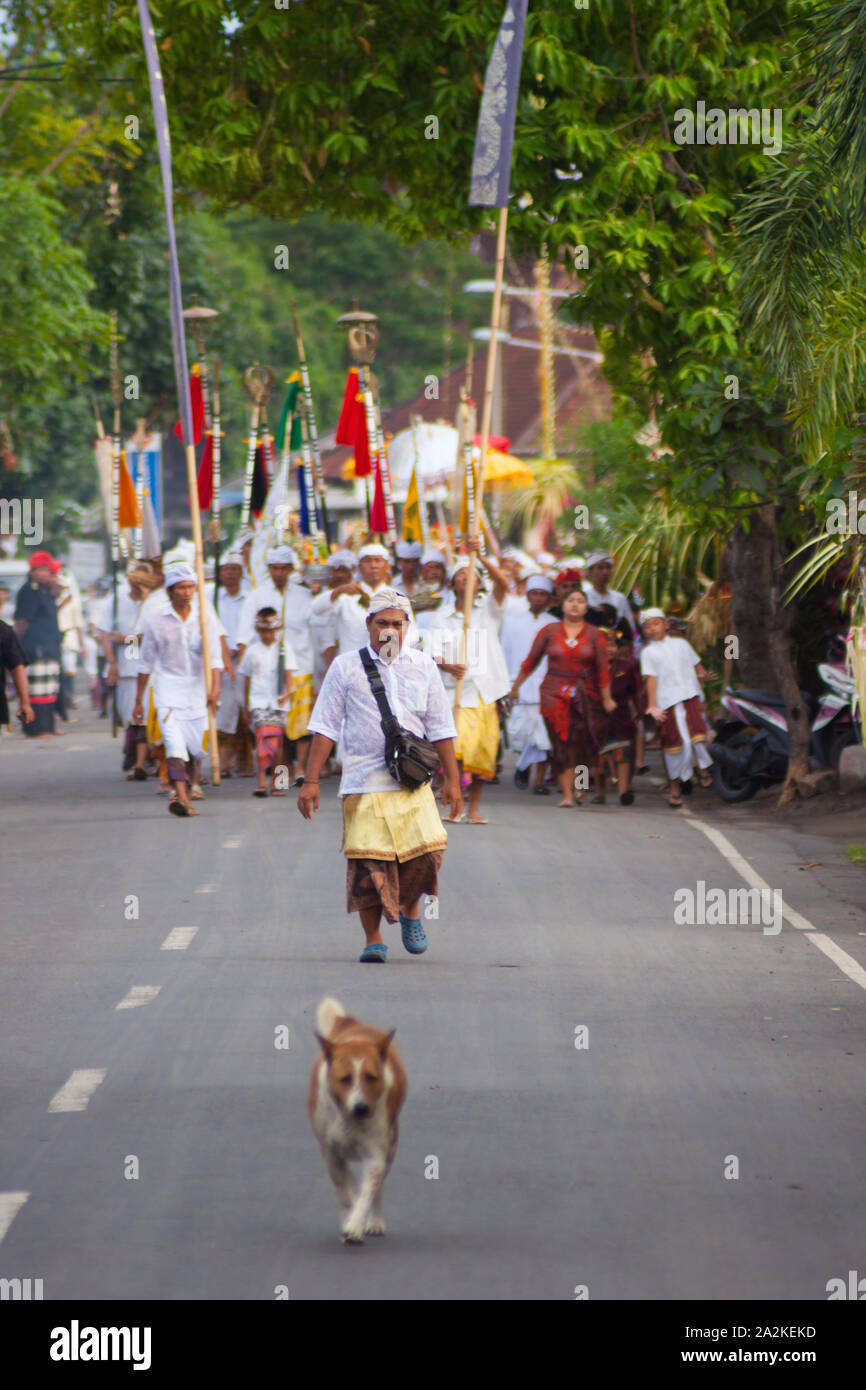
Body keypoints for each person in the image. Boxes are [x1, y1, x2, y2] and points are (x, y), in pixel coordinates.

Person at [299, 588, 462, 963]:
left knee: (428, 852)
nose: (390, 629)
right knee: (368, 863)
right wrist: (309, 782)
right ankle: (373, 939)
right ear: (368, 625)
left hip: (412, 781)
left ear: (408, 627)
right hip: (362, 780)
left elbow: (441, 727)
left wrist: (453, 780)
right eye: (382, 622)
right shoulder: (344, 667)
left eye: (397, 623)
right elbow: (324, 727)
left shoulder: (423, 666)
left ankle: (410, 909)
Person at [423, 538, 511, 824]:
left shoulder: (489, 609)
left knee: (481, 754)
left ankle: (473, 809)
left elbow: (503, 584)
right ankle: (453, 803)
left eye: (470, 574)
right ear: (452, 584)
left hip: (484, 691)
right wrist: (448, 666)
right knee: (456, 750)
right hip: (455, 694)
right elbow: (431, 654)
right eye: (460, 575)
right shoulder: (442, 617)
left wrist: (480, 557)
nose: (465, 578)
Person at [510, 584, 616, 807]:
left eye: (580, 601)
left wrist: (607, 698)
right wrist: (516, 686)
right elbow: (531, 661)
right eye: (571, 601)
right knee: (561, 743)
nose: (575, 604)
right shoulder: (549, 631)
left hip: (587, 693)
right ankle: (567, 794)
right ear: (562, 605)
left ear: (586, 607)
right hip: (553, 693)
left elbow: (603, 669)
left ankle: (582, 787)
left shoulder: (595, 634)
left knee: (584, 744)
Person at [133, 562, 223, 817]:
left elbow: (215, 659)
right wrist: (138, 701)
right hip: (168, 692)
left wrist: (215, 690)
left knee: (196, 750)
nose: (186, 592)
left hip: (198, 693)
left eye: (190, 587)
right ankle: (182, 799)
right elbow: (145, 662)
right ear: (171, 590)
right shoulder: (156, 620)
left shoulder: (205, 617)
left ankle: (188, 787)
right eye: (181, 587)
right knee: (174, 746)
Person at [237, 545, 314, 786]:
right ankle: (270, 778)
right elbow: (243, 635)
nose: (279, 573)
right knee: (271, 737)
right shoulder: (257, 596)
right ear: (268, 569)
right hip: (263, 687)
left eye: (284, 568)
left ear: (291, 569)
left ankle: (299, 769)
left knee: (299, 729)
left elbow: (313, 630)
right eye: (275, 568)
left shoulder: (304, 595)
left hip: (299, 668)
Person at [639, 607, 713, 808]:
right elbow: (651, 680)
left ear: (664, 624)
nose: (653, 628)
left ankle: (702, 768)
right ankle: (674, 788)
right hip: (667, 702)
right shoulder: (648, 653)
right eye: (647, 626)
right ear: (644, 631)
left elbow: (698, 666)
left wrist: (703, 676)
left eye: (656, 623)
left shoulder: (682, 644)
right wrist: (652, 705)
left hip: (689, 695)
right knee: (674, 746)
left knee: (697, 736)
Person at [97, 563, 162, 780]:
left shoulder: (156, 603)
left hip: (152, 668)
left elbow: (147, 633)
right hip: (127, 667)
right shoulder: (114, 602)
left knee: (147, 717)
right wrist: (112, 663)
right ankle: (136, 757)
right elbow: (105, 635)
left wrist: (127, 639)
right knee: (131, 716)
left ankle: (142, 762)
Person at [500, 573, 557, 793]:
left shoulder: (553, 623)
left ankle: (538, 781)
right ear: (528, 595)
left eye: (543, 594)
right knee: (520, 734)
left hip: (546, 686)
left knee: (543, 736)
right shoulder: (512, 620)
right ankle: (524, 765)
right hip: (518, 685)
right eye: (535, 593)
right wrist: (505, 684)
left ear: (549, 597)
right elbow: (504, 651)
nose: (538, 598)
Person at [237, 606, 296, 798]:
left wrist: (287, 693)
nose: (267, 634)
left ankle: (277, 782)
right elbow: (246, 679)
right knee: (262, 740)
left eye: (270, 630)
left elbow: (289, 675)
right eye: (263, 631)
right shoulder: (252, 650)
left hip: (278, 703)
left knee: (278, 744)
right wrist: (246, 706)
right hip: (259, 702)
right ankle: (262, 780)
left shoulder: (285, 648)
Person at [310, 542, 394, 659]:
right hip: (351, 664)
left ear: (387, 566)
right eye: (368, 561)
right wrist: (337, 591)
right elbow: (315, 609)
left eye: (377, 560)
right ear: (359, 567)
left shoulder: (396, 596)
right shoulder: (346, 594)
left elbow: (410, 633)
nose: (373, 565)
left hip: (383, 664)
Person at [13, 550, 62, 737]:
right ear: (34, 571)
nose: (48, 574)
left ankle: (47, 726)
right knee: (36, 690)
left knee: (49, 689)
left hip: (48, 646)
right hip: (35, 648)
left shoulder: (44, 590)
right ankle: (36, 728)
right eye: (44, 570)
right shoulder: (28, 591)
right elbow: (22, 621)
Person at [594, 626, 640, 805]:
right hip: (598, 718)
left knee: (623, 754)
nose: (610, 649)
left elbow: (634, 691)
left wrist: (638, 711)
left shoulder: (626, 666)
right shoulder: (591, 667)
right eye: (605, 645)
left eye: (612, 645)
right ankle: (600, 792)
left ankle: (623, 792)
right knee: (598, 756)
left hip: (621, 717)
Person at [583, 549, 634, 638]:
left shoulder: (619, 598)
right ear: (590, 571)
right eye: (600, 568)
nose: (605, 572)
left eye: (608, 568)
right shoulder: (583, 597)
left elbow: (628, 629)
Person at [0, 618, 33, 734]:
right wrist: (25, 703)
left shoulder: (3, 630)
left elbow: (17, 666)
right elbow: (17, 667)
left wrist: (25, 703)